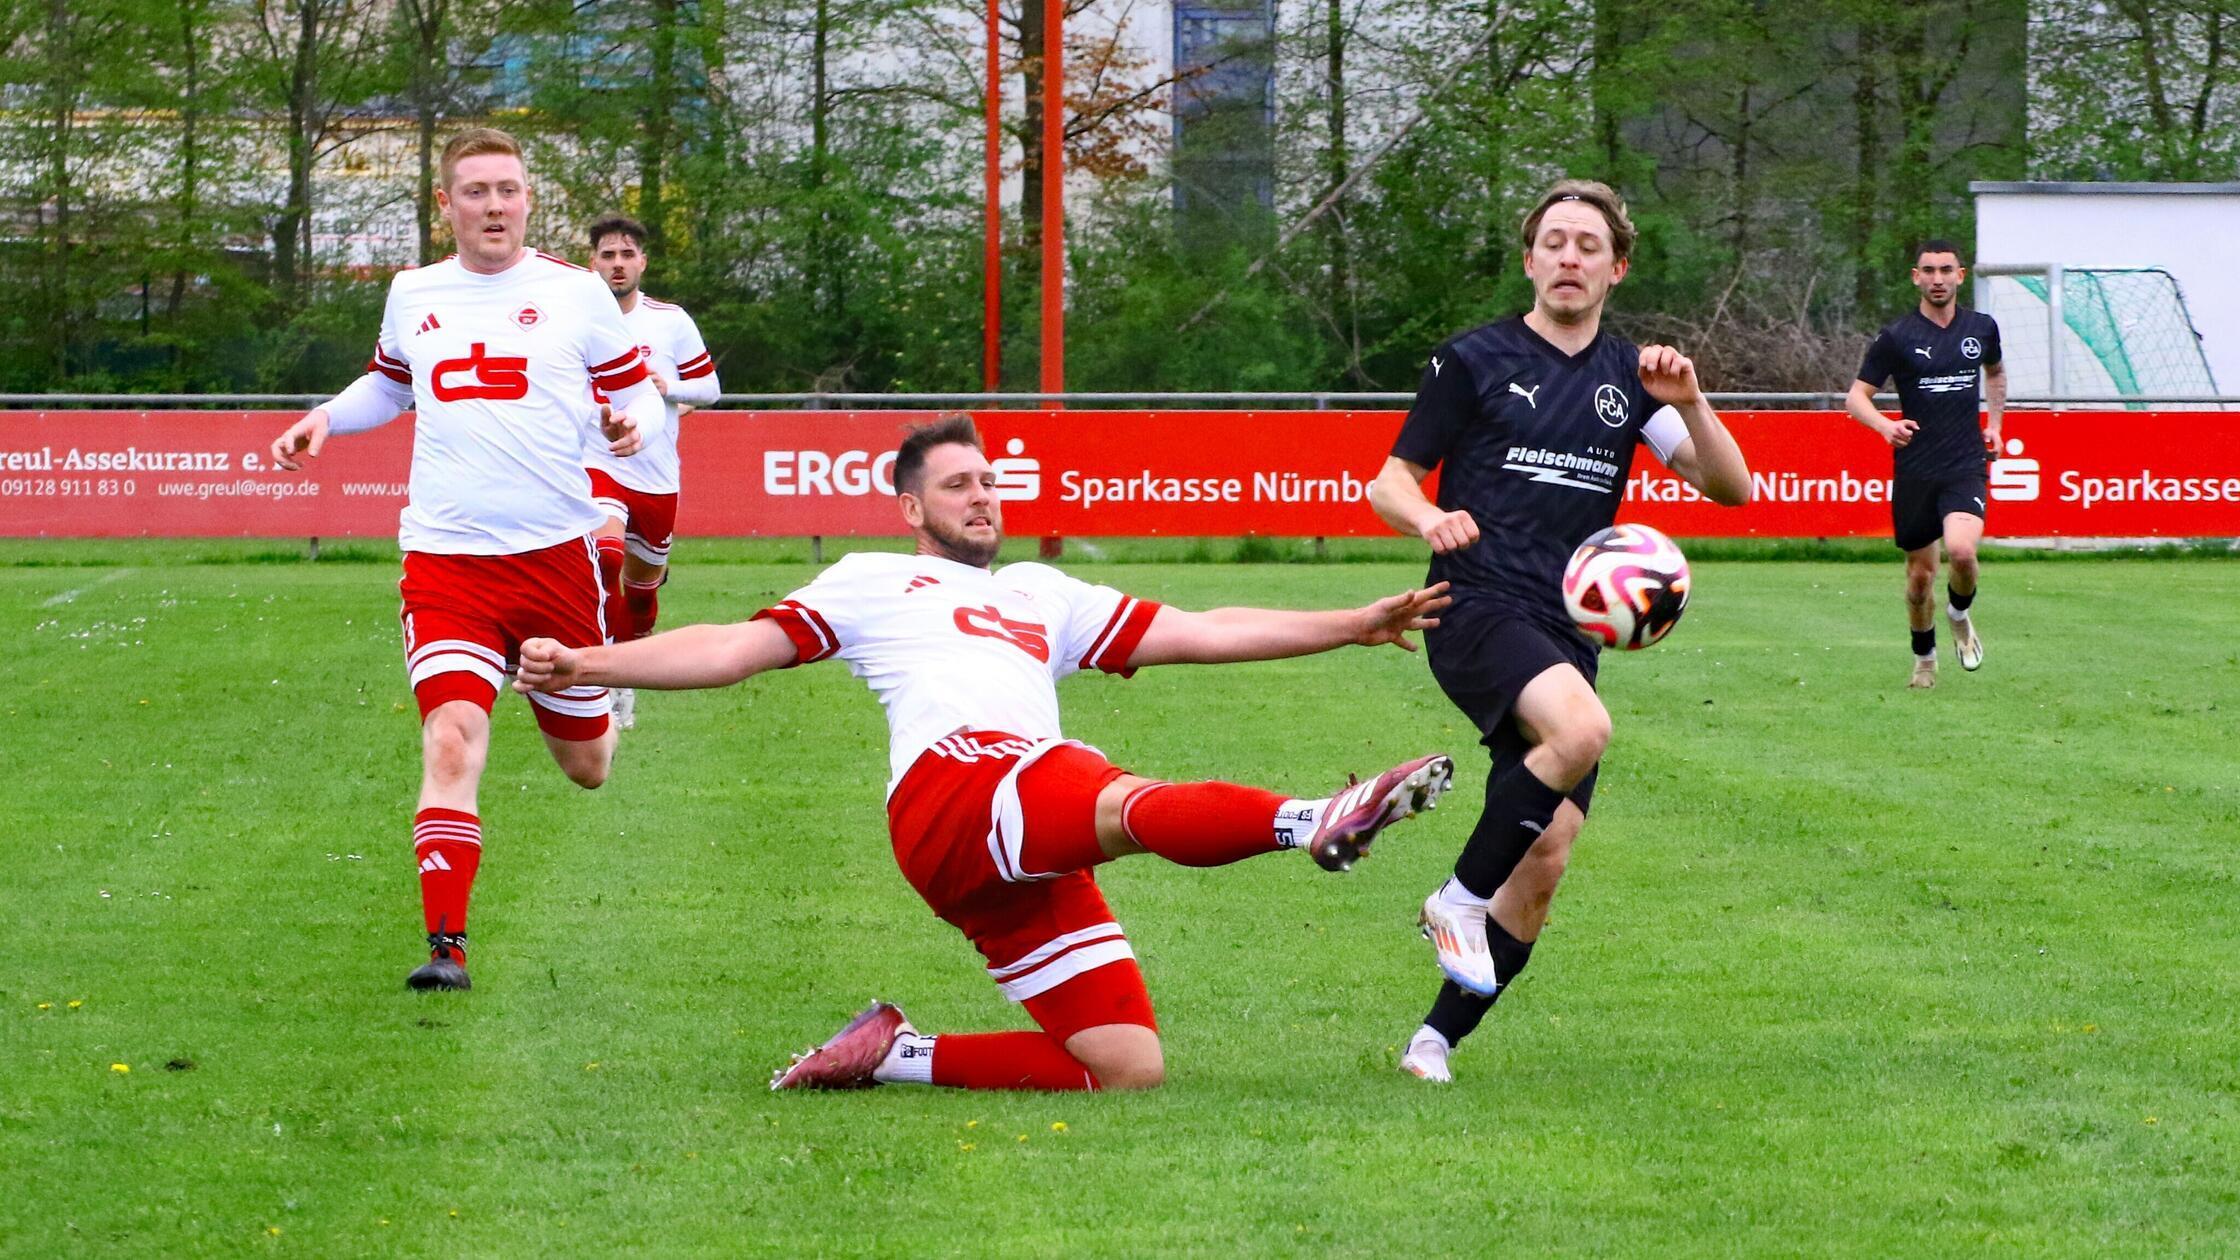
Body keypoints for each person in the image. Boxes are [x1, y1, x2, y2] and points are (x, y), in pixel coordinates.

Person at [515, 414, 1457, 1092]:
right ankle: (1309, 820)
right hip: (955, 790)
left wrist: (1351, 623)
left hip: (1010, 836)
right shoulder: (874, 580)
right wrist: (584, 662)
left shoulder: (1043, 593)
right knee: (1106, 791)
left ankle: (897, 1057)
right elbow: (729, 650)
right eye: (956, 484)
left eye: (988, 481)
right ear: (910, 509)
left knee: (1125, 1065)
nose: (980, 496)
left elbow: (1205, 627)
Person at [1367, 179, 1753, 1083]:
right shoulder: (1473, 360)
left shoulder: (1632, 378)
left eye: (1588, 246)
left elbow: (1732, 488)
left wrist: (1692, 400)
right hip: (1474, 607)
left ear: (1616, 268)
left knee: (1544, 860)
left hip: (1565, 635)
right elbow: (1391, 480)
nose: (1569, 258)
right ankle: (1455, 899)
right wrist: (1428, 520)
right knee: (1582, 732)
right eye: (1554, 242)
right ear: (1530, 259)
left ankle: (1433, 1043)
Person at [268, 127, 665, 992]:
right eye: (476, 191)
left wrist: (636, 424)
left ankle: (604, 689)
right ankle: (447, 948)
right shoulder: (414, 291)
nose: (495, 205)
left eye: (509, 190)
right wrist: (325, 418)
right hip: (446, 561)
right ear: (445, 205)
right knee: (452, 742)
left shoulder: (578, 293)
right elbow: (388, 384)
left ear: (528, 199)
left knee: (588, 767)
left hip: (555, 560)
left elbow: (639, 393)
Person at [1844, 240, 2007, 689]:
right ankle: (1925, 661)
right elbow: (1856, 397)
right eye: (1929, 271)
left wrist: (1994, 424)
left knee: (1961, 550)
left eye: (1946, 270)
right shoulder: (1897, 337)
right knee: (1919, 579)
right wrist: (1883, 426)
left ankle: (1958, 613)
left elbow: (1994, 372)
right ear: (1916, 277)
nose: (1938, 278)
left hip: (1964, 462)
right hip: (1916, 469)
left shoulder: (1982, 328)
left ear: (1961, 275)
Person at [584, 215, 721, 731]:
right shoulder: (576, 318)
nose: (617, 264)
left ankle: (624, 674)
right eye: (607, 255)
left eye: (626, 255)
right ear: (592, 262)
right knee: (605, 556)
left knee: (641, 596)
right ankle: (598, 676)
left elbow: (709, 388)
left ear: (642, 261)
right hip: (598, 464)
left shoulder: (670, 320)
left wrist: (668, 389)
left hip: (657, 475)